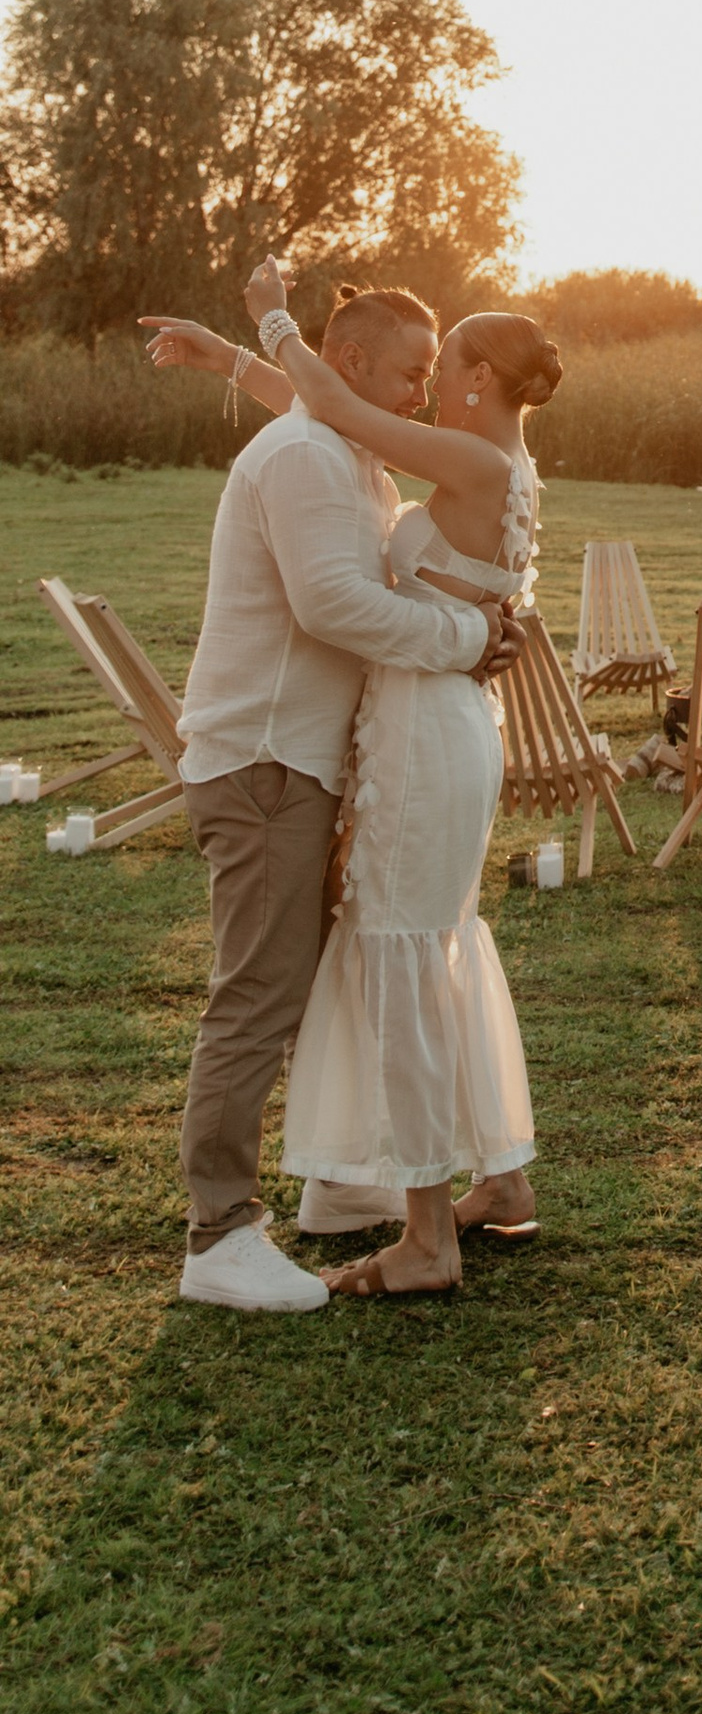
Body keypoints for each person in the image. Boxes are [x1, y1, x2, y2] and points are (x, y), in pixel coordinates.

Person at [138, 281, 525, 1311]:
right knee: (259, 993)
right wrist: (468, 637)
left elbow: (320, 404)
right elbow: (332, 603)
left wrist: (233, 358)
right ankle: (220, 1234)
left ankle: (347, 1178)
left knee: (315, 977)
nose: (420, 393)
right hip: (264, 758)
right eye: (408, 371)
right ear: (350, 362)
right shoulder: (308, 454)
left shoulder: (343, 446)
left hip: (308, 761)